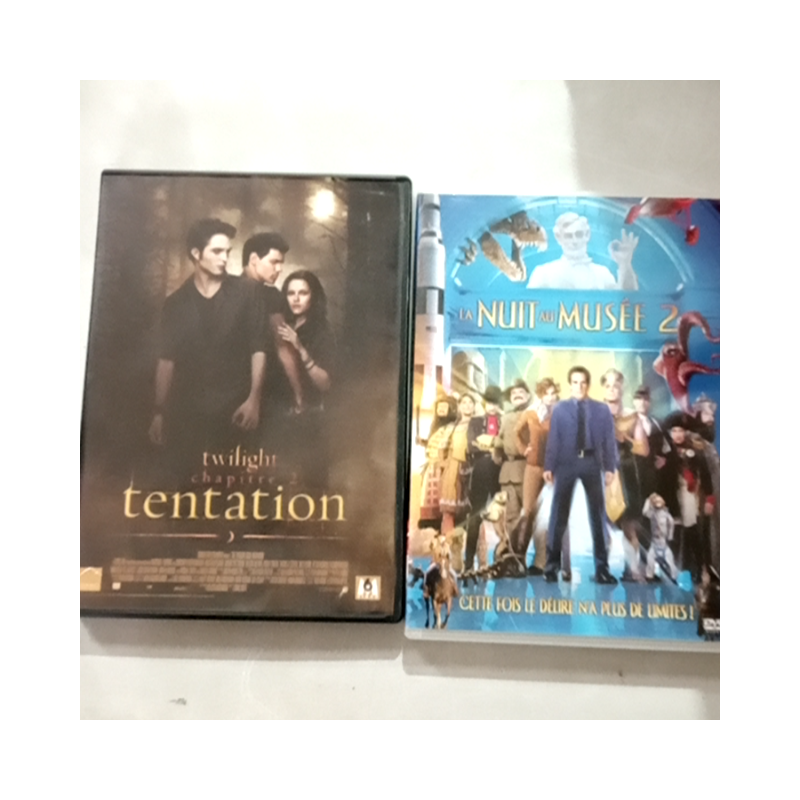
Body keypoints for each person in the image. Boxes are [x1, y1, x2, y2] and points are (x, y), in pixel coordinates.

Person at [148, 218, 266, 471]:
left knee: (234, 484)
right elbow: (166, 360)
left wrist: (254, 400)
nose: (224, 258)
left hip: (236, 409)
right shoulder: (176, 304)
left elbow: (259, 348)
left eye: (227, 252)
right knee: (188, 484)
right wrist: (159, 412)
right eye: (217, 251)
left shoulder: (248, 291)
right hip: (189, 414)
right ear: (196, 253)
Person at [544, 366, 619, 584]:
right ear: (570, 385)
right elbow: (554, 439)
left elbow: (609, 440)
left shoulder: (601, 410)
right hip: (566, 463)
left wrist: (610, 468)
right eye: (575, 382)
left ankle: (602, 569)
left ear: (588, 384)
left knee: (597, 517)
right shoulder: (560, 409)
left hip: (592, 463)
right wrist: (549, 466)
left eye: (583, 382)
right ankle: (551, 567)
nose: (579, 386)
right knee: (558, 515)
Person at [277, 269, 335, 486]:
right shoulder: (280, 325)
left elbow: (325, 383)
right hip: (280, 419)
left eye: (303, 293)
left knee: (309, 486)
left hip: (310, 421)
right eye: (291, 293)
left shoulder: (322, 332)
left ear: (313, 297)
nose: (296, 298)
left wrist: (300, 348)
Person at [241, 233, 305, 418]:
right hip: (263, 391)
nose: (279, 269)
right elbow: (283, 347)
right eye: (274, 262)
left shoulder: (224, 289)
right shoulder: (270, 296)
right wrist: (299, 394)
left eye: (281, 263)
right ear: (254, 259)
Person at [512, 377, 560, 574]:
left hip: (552, 469)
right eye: (546, 393)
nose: (550, 397)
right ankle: (518, 559)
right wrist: (524, 448)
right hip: (532, 468)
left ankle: (542, 561)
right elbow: (516, 432)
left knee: (546, 516)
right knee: (527, 512)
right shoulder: (531, 413)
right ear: (540, 395)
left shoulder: (560, 414)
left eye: (553, 393)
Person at [527, 212, 639, 290]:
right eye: (568, 236)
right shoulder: (543, 273)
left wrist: (625, 264)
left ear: (587, 235)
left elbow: (627, 304)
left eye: (579, 234)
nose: (574, 241)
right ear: (559, 238)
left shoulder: (602, 274)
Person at [463, 386, 503, 573]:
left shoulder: (504, 421)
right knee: (475, 517)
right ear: (485, 403)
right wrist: (495, 446)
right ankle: (468, 563)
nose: (492, 406)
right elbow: (472, 446)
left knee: (502, 518)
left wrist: (486, 442)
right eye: (489, 402)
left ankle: (501, 560)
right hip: (480, 471)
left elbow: (508, 446)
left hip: (500, 472)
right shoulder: (476, 422)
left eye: (496, 403)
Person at [496, 379, 534, 548]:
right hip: (507, 471)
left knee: (528, 514)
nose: (517, 396)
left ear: (528, 396)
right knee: (510, 515)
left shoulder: (534, 415)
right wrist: (496, 449)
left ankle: (524, 552)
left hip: (527, 470)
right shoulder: (505, 418)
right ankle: (512, 553)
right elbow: (500, 439)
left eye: (521, 393)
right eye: (513, 393)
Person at [439, 393, 476, 534]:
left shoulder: (478, 425)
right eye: (464, 402)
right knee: (449, 511)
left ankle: (469, 545)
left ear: (474, 406)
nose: (467, 405)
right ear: (459, 406)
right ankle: (447, 543)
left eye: (470, 402)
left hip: (472, 470)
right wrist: (444, 464)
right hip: (452, 470)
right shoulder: (452, 427)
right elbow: (442, 448)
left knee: (471, 511)